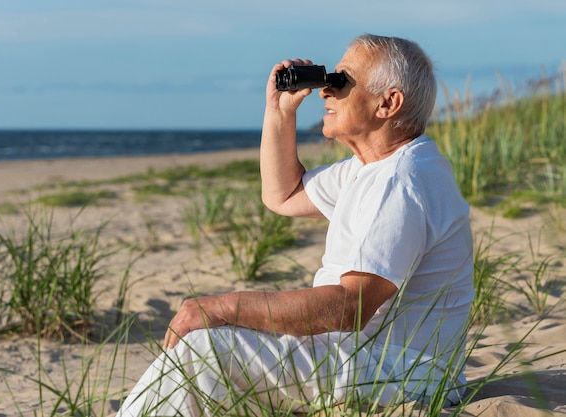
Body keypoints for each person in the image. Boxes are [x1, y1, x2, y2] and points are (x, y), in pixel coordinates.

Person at [116, 33, 474, 416]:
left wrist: (222, 306)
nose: (325, 93)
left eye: (341, 81)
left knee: (205, 352)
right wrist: (280, 112)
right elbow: (282, 195)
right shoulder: (372, 169)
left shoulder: (400, 182)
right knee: (215, 344)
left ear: (388, 102)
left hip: (401, 371)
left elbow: (349, 308)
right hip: (370, 357)